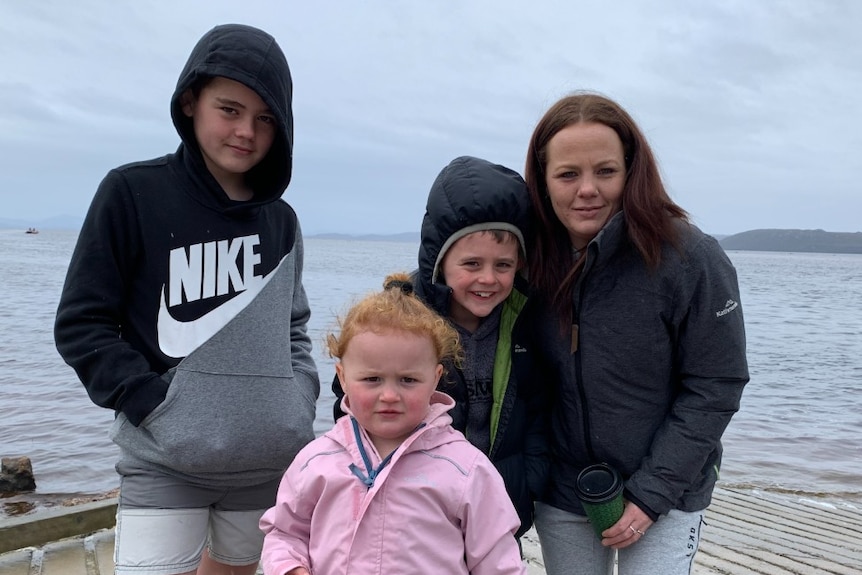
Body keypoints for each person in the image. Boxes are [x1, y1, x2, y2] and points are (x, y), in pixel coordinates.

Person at [53, 24, 320, 575]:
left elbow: (294, 328)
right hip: (163, 464)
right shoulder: (132, 192)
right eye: (230, 109)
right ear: (190, 101)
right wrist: (155, 406)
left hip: (266, 465)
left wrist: (297, 404)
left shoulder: (282, 220)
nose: (246, 131)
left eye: (265, 118)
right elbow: (83, 324)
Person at [523, 92, 749, 575]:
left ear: (631, 172)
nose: (587, 189)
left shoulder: (690, 258)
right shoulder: (528, 259)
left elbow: (715, 386)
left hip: (669, 488)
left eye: (605, 171)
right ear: (542, 181)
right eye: (568, 174)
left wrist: (651, 495)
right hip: (565, 488)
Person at [331, 155, 549, 538]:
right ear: (440, 261)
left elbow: (537, 409)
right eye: (471, 264)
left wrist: (529, 481)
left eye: (503, 265)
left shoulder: (523, 321)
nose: (488, 278)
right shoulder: (402, 321)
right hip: (415, 518)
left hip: (499, 510)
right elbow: (351, 407)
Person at [260, 273, 526, 575]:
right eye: (372, 379)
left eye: (408, 380)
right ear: (343, 377)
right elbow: (284, 533)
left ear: (436, 378)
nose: (389, 395)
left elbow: (499, 562)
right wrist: (291, 569)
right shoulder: (316, 460)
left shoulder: (466, 469)